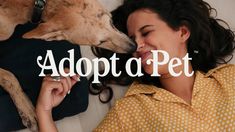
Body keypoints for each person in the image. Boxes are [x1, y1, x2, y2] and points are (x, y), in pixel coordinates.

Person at [36, 0, 235, 131]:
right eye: (133, 39)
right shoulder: (132, 110)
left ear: (182, 33)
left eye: (146, 32)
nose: (137, 45)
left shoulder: (229, 79)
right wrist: (44, 111)